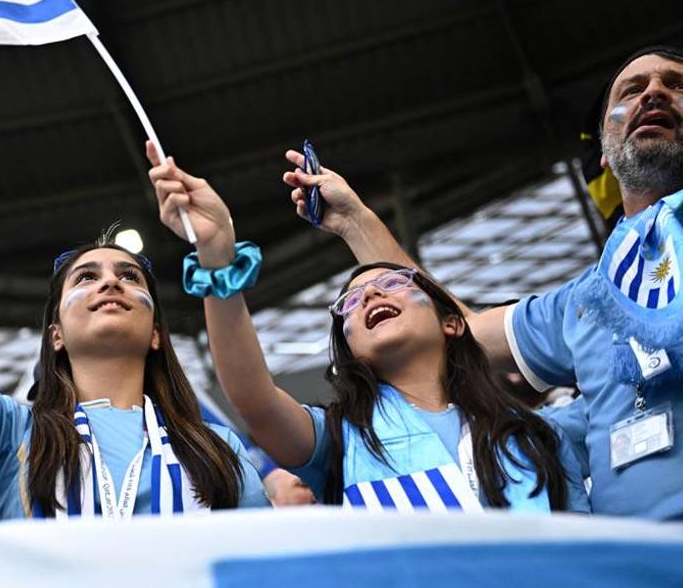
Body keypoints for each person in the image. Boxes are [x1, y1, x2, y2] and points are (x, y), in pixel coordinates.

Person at [284, 44, 683, 522]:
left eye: (680, 86)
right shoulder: (583, 301)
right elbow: (456, 326)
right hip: (627, 569)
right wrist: (354, 221)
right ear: (606, 155)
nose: (653, 92)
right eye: (631, 91)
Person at [0, 57, 269, 520]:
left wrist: (216, 249)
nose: (111, 280)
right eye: (86, 277)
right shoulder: (10, 432)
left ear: (156, 331)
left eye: (129, 277)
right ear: (56, 334)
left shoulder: (217, 448)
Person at [147, 147, 588, 512]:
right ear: (350, 348)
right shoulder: (339, 440)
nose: (372, 296)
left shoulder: (545, 432)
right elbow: (254, 399)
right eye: (351, 303)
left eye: (394, 283)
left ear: (452, 322)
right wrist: (217, 254)